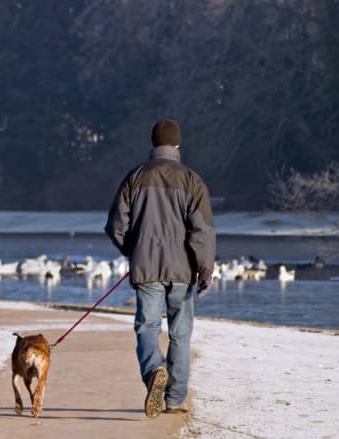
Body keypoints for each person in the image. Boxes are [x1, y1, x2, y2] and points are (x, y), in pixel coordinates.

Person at [104, 119, 215, 418]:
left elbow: (116, 225)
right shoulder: (192, 180)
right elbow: (202, 231)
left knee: (147, 327)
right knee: (180, 334)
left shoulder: (135, 177)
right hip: (182, 270)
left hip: (147, 268)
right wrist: (205, 271)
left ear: (154, 143)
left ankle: (154, 370)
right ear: (177, 144)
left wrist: (134, 249)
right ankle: (176, 399)